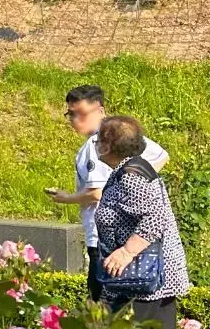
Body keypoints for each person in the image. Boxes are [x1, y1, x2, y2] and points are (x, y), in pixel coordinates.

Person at [47, 85, 168, 301]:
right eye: (70, 114)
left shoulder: (99, 145)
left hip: (105, 240)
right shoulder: (125, 134)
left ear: (100, 111)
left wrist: (66, 198)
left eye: (80, 114)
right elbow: (161, 156)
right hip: (128, 239)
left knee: (103, 309)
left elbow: (96, 193)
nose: (74, 120)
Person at [92, 116, 189, 329]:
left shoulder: (132, 175)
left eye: (98, 140)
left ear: (108, 146)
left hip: (146, 279)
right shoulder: (127, 170)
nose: (96, 144)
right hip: (133, 277)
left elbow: (155, 219)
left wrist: (126, 252)